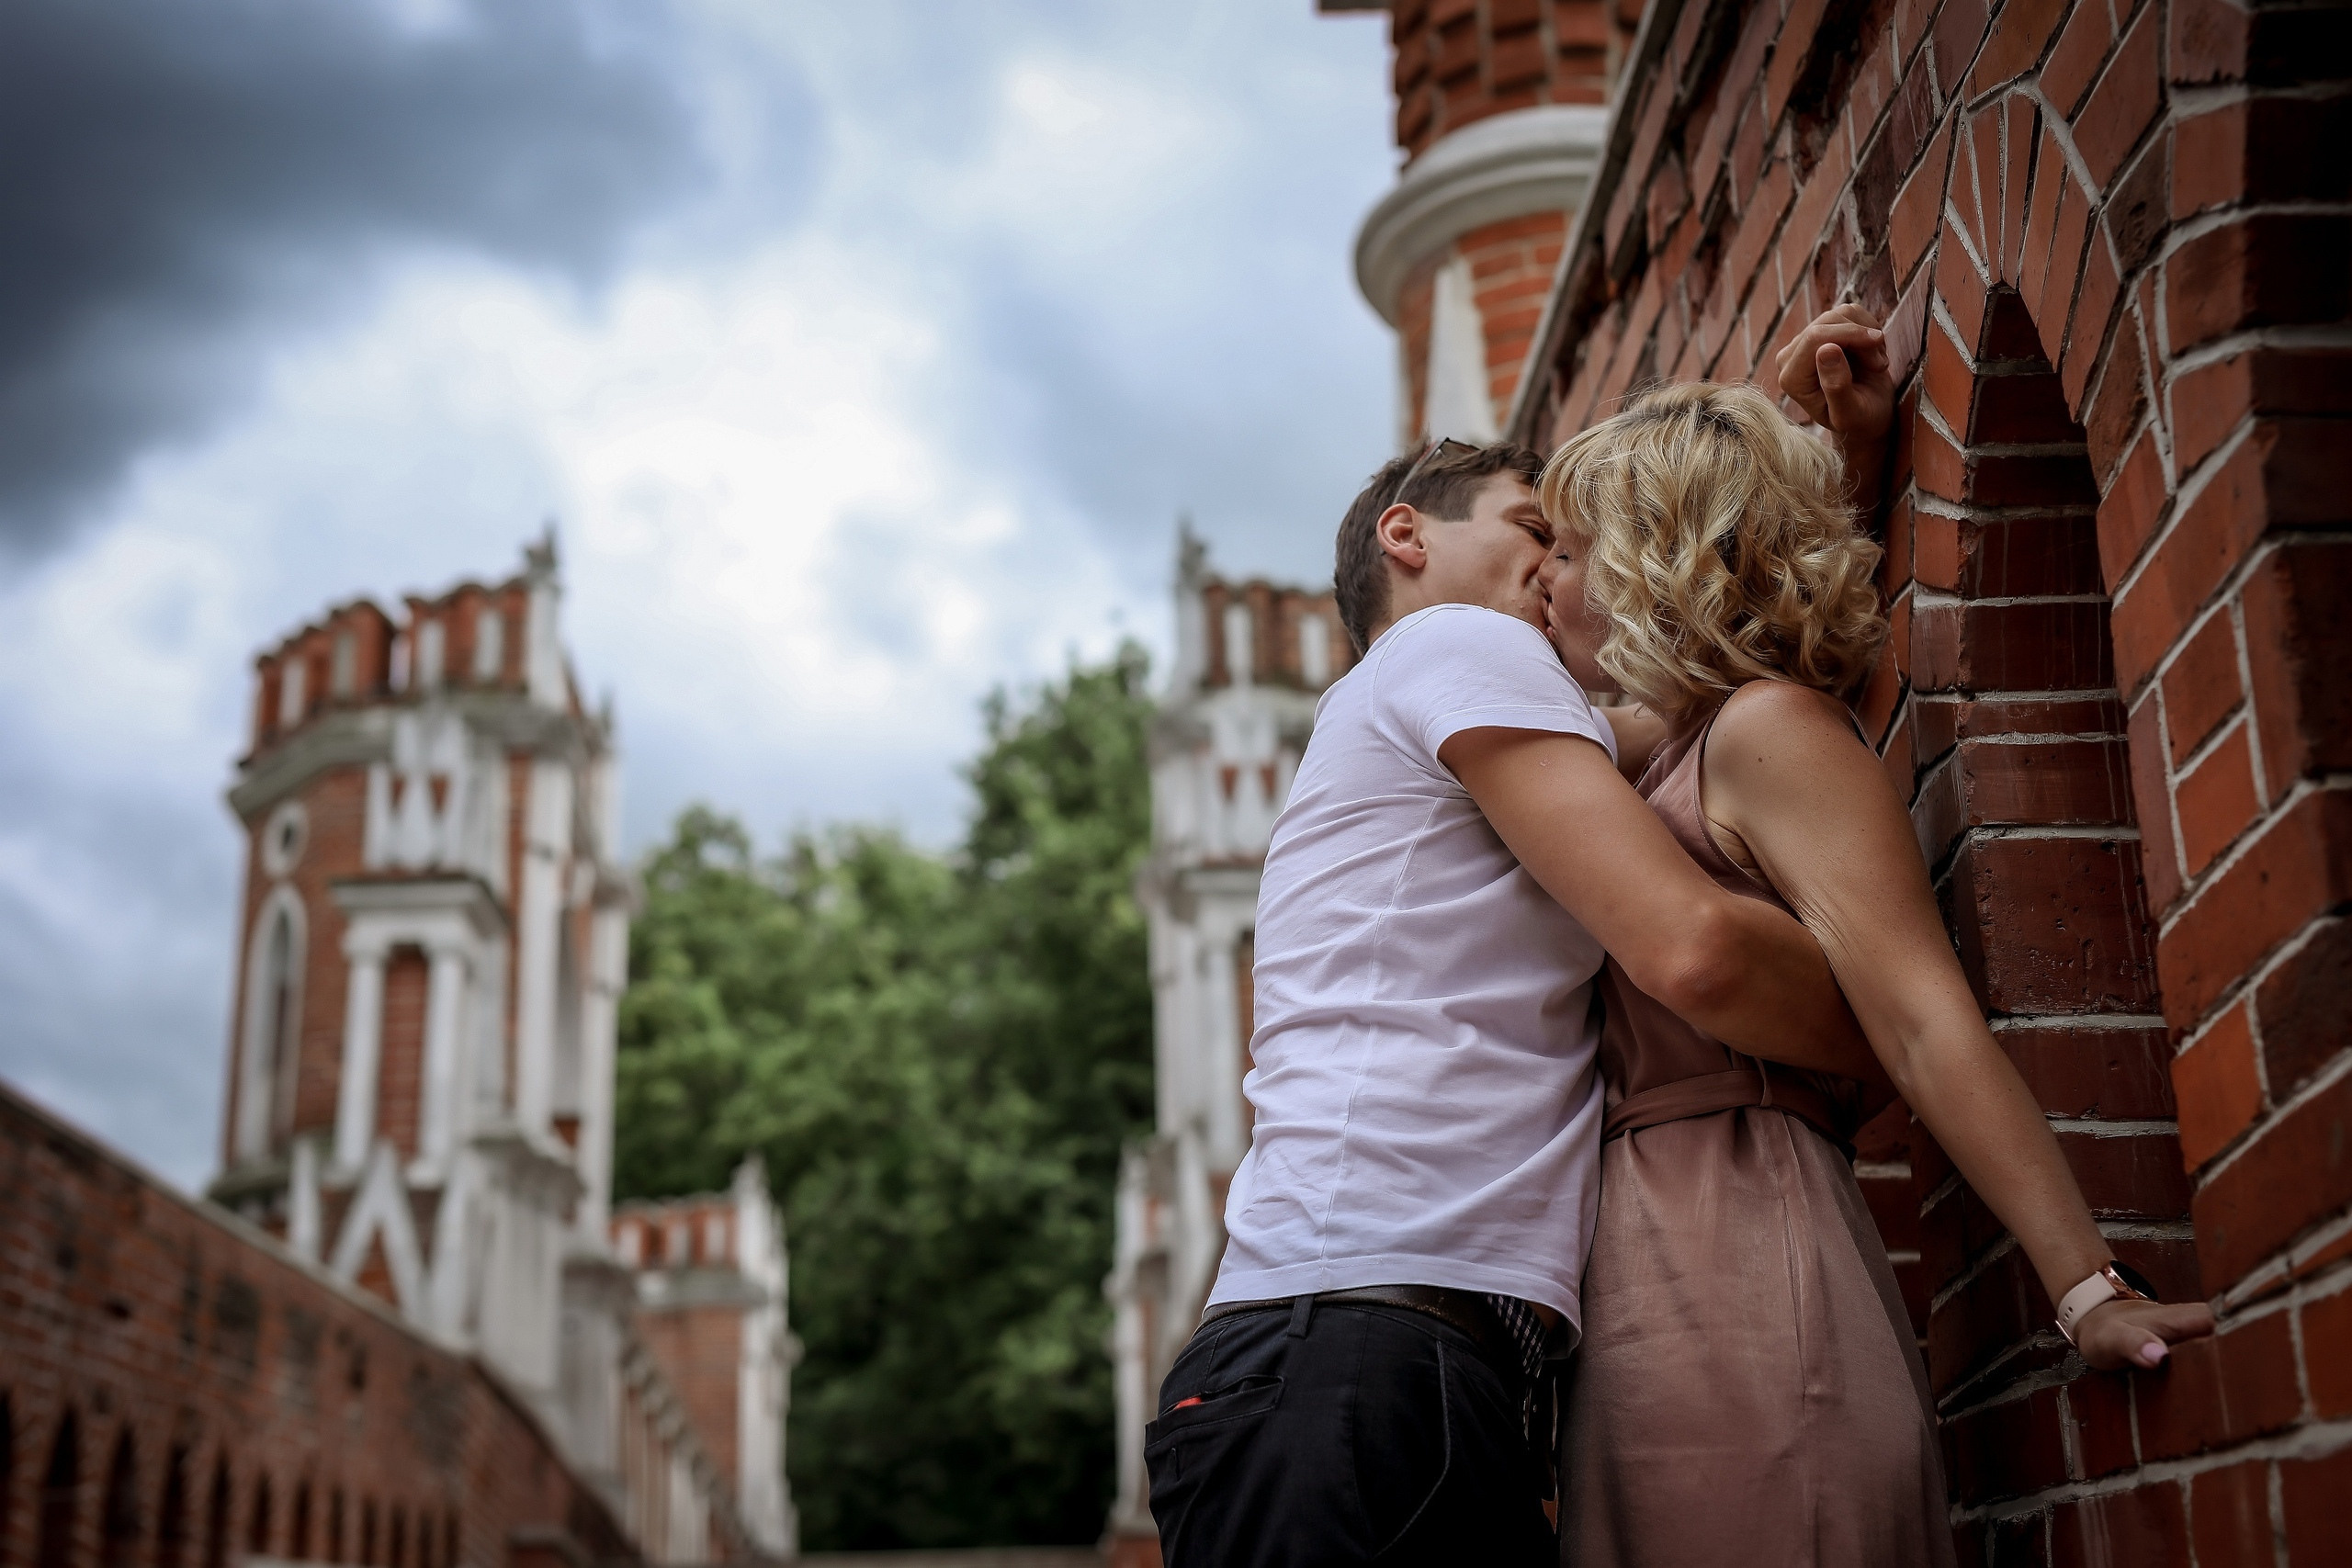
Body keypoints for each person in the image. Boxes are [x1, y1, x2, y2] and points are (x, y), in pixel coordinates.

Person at [1537, 308, 2219, 1567]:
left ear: (1647, 558)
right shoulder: (1662, 748)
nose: (1546, 579)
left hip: (1736, 1232)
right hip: (1637, 1247)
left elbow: (1919, 1010)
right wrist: (1791, 427)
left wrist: (2087, 1288)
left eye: (1572, 548)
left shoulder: (1766, 731)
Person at [1143, 439, 1887, 1566]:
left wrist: (1827, 474)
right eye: (1537, 530)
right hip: (1363, 1350)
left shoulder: (1433, 710)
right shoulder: (1455, 639)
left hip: (1360, 1354)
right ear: (1410, 538)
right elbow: (1691, 950)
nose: (1559, 566)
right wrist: (1910, 1039)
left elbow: (1704, 688)